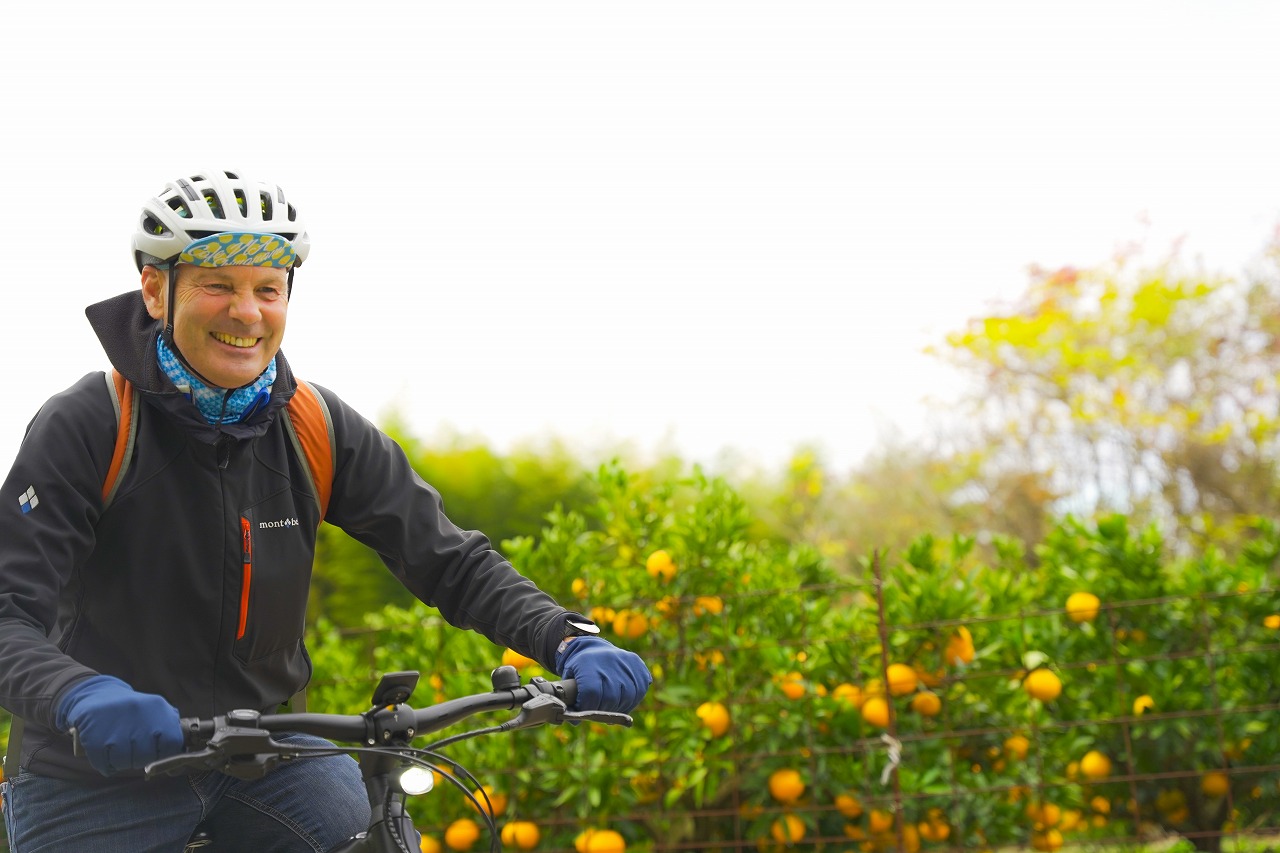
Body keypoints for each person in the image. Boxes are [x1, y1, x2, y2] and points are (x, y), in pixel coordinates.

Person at [0, 169, 651, 852]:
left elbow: (448, 558)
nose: (246, 312)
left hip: (267, 758)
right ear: (156, 289)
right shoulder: (92, 425)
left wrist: (568, 636)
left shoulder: (315, 424)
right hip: (94, 771)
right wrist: (80, 695)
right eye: (218, 285)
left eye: (267, 289)